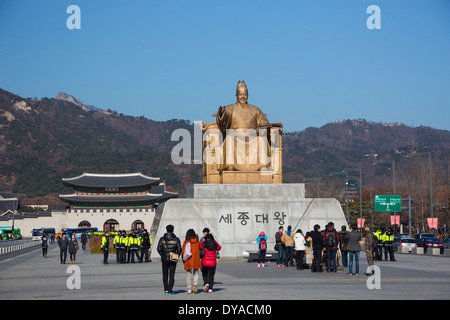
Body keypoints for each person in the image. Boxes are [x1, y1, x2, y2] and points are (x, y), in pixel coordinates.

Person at [157, 224, 182, 295]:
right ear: (173, 230)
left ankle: (166, 289)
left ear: (166, 230)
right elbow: (179, 250)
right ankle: (170, 289)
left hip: (164, 259)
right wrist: (176, 256)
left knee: (165, 275)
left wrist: (163, 255)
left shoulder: (162, 239)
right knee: (172, 275)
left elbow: (158, 249)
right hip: (173, 259)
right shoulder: (176, 239)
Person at [182, 229, 201, 294]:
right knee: (196, 272)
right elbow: (200, 248)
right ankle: (195, 284)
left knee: (188, 274)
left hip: (188, 259)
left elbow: (183, 251)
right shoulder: (197, 241)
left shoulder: (186, 242)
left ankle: (189, 289)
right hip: (196, 259)